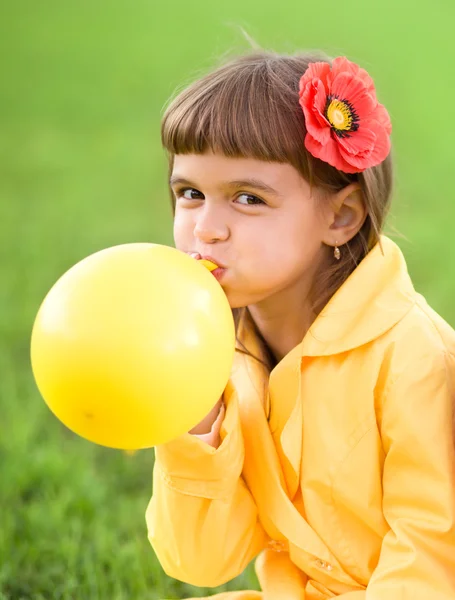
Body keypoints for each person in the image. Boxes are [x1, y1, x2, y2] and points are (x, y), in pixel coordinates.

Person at [145, 49, 455, 599]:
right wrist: (195, 423)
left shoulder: (413, 357)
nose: (206, 230)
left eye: (248, 198)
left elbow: (430, 557)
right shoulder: (218, 350)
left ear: (340, 218)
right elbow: (202, 561)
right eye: (189, 193)